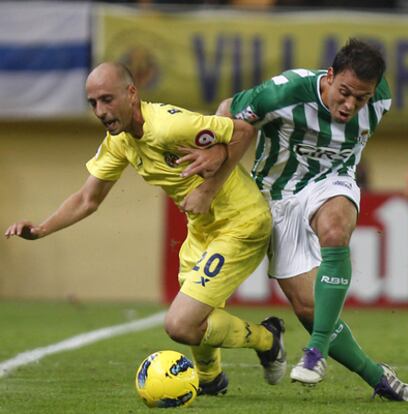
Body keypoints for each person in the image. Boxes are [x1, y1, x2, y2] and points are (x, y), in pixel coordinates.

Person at [4, 62, 287, 396]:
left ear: (131, 93)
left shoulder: (169, 126)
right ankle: (211, 379)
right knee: (198, 318)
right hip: (203, 227)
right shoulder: (120, 142)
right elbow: (87, 199)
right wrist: (40, 229)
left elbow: (243, 130)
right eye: (93, 103)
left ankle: (268, 339)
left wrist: (209, 185)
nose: (100, 111)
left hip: (242, 222)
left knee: (180, 324)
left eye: (107, 99)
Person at [178, 38, 408, 402]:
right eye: (345, 92)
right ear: (329, 76)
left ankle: (315, 351)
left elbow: (364, 106)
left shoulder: (381, 97)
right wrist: (213, 158)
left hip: (333, 180)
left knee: (336, 230)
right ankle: (379, 378)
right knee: (308, 308)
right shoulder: (285, 92)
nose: (350, 105)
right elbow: (230, 109)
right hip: (276, 196)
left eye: (361, 98)